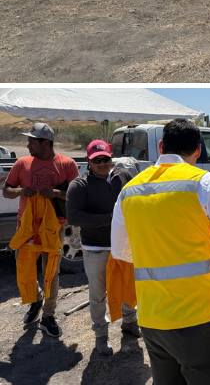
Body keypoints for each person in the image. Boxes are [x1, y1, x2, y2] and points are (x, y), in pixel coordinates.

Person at [111, 119, 210, 385]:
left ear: (160, 146)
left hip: (153, 321)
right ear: (198, 150)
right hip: (198, 320)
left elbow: (121, 252)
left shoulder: (129, 191)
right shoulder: (203, 183)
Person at [2, 123, 79, 339]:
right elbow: (6, 191)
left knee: (51, 271)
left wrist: (56, 193)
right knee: (24, 268)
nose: (27, 145)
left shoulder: (67, 164)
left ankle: (48, 315)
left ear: (45, 143)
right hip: (26, 227)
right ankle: (35, 300)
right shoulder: (22, 163)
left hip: (54, 226)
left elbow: (75, 195)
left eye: (31, 141)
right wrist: (20, 191)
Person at [65, 140, 140, 356]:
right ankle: (101, 336)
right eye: (97, 160)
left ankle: (130, 323)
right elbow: (74, 216)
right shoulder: (79, 186)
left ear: (111, 158)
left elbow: (137, 197)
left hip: (123, 247)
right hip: (95, 249)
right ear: (89, 162)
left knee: (127, 287)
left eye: (105, 159)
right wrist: (111, 219)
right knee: (98, 294)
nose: (102, 164)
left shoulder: (122, 177)